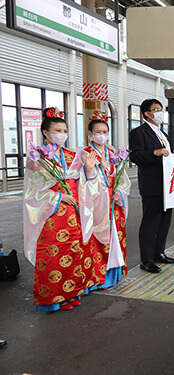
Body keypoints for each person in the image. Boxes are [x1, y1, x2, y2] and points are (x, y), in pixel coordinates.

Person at [23, 107, 96, 311]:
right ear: (46, 133)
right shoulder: (36, 156)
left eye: (65, 131)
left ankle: (72, 292)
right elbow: (33, 189)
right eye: (58, 130)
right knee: (53, 254)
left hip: (73, 211)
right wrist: (58, 196)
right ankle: (54, 298)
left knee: (73, 251)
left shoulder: (73, 155)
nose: (62, 134)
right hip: (52, 212)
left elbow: (86, 182)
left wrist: (89, 170)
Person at [129, 99, 174, 274]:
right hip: (152, 184)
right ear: (147, 114)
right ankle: (147, 260)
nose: (160, 112)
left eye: (161, 109)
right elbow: (135, 156)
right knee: (150, 223)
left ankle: (159, 252)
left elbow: (167, 155)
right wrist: (154, 153)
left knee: (164, 221)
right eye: (156, 109)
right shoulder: (139, 132)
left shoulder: (162, 133)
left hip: (167, 185)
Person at [80, 114, 130, 288]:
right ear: (90, 134)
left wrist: (119, 191)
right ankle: (98, 278)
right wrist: (90, 168)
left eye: (105, 131)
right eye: (98, 132)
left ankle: (114, 273)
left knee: (116, 237)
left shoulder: (111, 152)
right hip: (98, 202)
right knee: (98, 237)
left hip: (113, 200)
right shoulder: (85, 153)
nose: (102, 135)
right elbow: (83, 181)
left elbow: (121, 177)